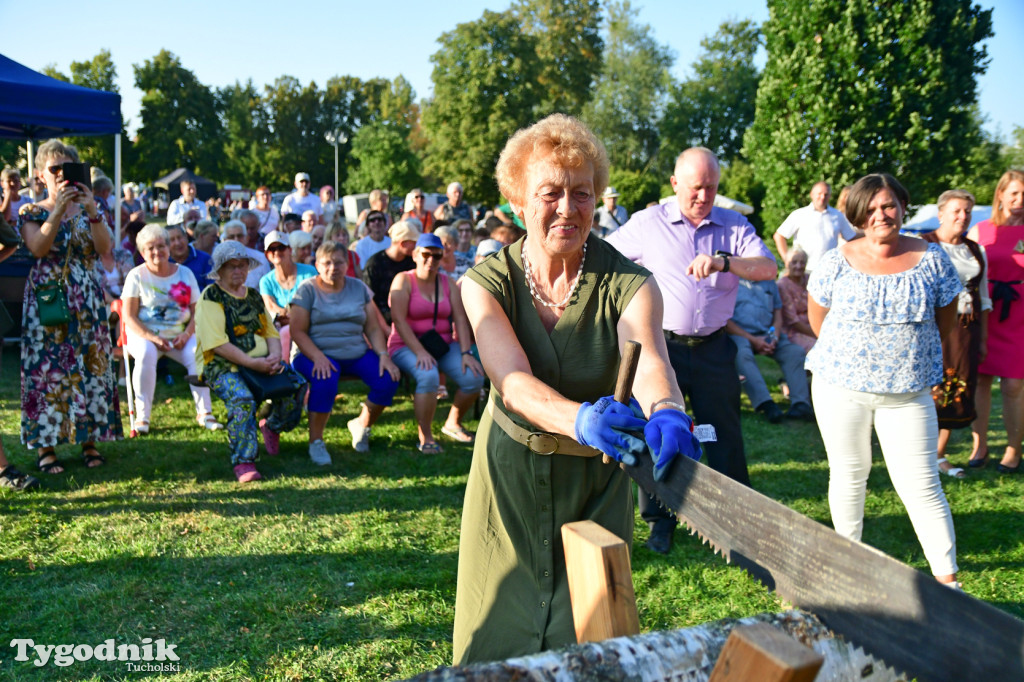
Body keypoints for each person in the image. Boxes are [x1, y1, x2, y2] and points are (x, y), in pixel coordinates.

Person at [454, 114, 700, 663]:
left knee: (590, 645)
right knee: (494, 641)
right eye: (551, 193)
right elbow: (512, 381)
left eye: (582, 193)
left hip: (595, 487)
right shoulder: (484, 284)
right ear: (518, 199)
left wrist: (667, 410)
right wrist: (582, 419)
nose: (567, 208)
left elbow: (651, 360)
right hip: (508, 484)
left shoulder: (630, 283)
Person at [606, 146, 776, 554]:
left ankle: (735, 520)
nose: (703, 196)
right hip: (662, 348)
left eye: (711, 188)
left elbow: (768, 268)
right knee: (659, 431)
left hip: (715, 349)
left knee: (722, 432)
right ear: (675, 184)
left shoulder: (734, 226)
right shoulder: (648, 223)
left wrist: (724, 263)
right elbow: (604, 258)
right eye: (696, 187)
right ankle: (660, 521)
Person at [806, 172, 961, 588]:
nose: (881, 215)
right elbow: (817, 320)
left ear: (903, 206)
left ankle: (949, 583)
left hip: (908, 396)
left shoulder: (932, 259)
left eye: (888, 205)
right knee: (849, 474)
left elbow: (943, 321)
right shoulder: (835, 260)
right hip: (840, 390)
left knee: (922, 484)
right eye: (871, 208)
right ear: (857, 213)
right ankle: (848, 566)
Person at [18, 139, 123, 473]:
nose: (61, 176)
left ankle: (89, 441)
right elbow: (37, 247)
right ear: (39, 175)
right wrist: (59, 209)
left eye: (68, 169)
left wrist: (92, 210)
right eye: (54, 169)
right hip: (48, 298)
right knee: (47, 371)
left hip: (87, 299)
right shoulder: (31, 211)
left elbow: (103, 249)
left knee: (90, 366)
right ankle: (45, 447)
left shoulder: (95, 208)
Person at [194, 241, 306, 482]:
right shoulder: (211, 296)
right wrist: (253, 364)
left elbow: (271, 332)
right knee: (242, 399)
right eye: (231, 266)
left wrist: (275, 356)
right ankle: (244, 461)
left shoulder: (253, 295)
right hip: (221, 364)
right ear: (220, 271)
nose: (238, 271)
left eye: (242, 266)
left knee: (298, 385)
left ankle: (272, 426)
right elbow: (217, 344)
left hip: (262, 360)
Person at [290, 241, 401, 462]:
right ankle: (316, 441)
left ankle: (361, 425)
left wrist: (383, 355)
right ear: (317, 265)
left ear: (347, 263)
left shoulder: (358, 287)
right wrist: (318, 357)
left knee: (388, 378)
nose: (333, 267)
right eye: (327, 262)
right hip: (313, 353)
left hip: (355, 352)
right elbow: (297, 331)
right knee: (325, 379)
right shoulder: (307, 289)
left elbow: (372, 327)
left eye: (339, 262)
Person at [121, 225, 222, 434]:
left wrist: (187, 334)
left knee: (198, 353)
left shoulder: (185, 274)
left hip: (179, 335)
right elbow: (129, 316)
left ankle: (205, 412)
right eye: (150, 248)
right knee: (146, 354)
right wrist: (153, 338)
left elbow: (198, 312)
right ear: (142, 253)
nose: (157, 251)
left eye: (161, 245)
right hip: (144, 335)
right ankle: (143, 417)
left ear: (168, 248)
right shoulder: (136, 275)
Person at [389, 234, 484, 453]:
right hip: (405, 345)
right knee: (428, 375)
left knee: (474, 377)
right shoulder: (403, 280)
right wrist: (420, 352)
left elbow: (460, 319)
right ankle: (426, 436)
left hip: (441, 345)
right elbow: (399, 321)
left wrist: (466, 352)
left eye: (437, 255)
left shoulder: (448, 283)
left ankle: (453, 422)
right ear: (415, 255)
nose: (431, 260)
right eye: (426, 254)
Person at [919, 190, 989, 478]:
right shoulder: (923, 245)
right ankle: (920, 454)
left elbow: (983, 297)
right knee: (928, 389)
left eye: (968, 212)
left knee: (956, 387)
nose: (963, 217)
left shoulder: (975, 250)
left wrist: (982, 338)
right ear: (941, 214)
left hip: (965, 330)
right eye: (957, 211)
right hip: (932, 327)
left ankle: (938, 454)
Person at [967, 170, 1024, 473]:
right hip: (987, 311)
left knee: (1014, 384)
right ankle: (980, 445)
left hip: (1020, 314)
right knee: (981, 381)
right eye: (1014, 193)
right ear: (1000, 194)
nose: (1019, 200)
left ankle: (1014, 449)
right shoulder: (980, 230)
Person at [726, 276, 813, 422]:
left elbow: (778, 316)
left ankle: (801, 404)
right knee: (742, 354)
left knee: (794, 352)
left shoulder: (769, 282)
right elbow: (726, 321)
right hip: (740, 334)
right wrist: (754, 340)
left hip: (768, 333)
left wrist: (774, 337)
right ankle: (766, 404)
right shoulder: (730, 281)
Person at [773, 181, 857, 273]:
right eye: (819, 194)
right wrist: (787, 259)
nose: (822, 197)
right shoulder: (799, 214)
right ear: (812, 194)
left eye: (826, 194)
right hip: (803, 269)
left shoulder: (837, 215)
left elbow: (852, 239)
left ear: (830, 196)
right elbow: (779, 236)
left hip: (829, 269)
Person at [259, 230, 317, 360]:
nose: (277, 252)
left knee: (287, 332)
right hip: (281, 328)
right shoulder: (266, 281)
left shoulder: (309, 272)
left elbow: (317, 302)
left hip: (311, 324)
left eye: (281, 247)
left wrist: (290, 316)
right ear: (266, 255)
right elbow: (272, 309)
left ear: (290, 250)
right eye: (272, 249)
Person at [362, 220, 419, 325]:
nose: (417, 246)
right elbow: (369, 302)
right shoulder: (375, 264)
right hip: (381, 322)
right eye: (414, 243)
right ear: (403, 244)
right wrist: (385, 329)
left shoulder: (413, 262)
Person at [777, 248, 817, 353]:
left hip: (815, 326)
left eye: (802, 262)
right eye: (794, 262)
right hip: (794, 331)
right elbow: (793, 321)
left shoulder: (811, 279)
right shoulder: (782, 285)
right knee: (818, 349)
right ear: (786, 264)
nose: (798, 266)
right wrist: (818, 333)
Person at [220, 219, 270, 289]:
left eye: (240, 236)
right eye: (231, 237)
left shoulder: (261, 259)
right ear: (225, 240)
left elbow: (267, 288)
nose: (236, 240)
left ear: (247, 238)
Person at [167, 223, 213, 290]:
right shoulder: (164, 262)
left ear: (186, 237)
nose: (177, 243)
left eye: (180, 238)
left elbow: (213, 287)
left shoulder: (204, 259)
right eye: (172, 240)